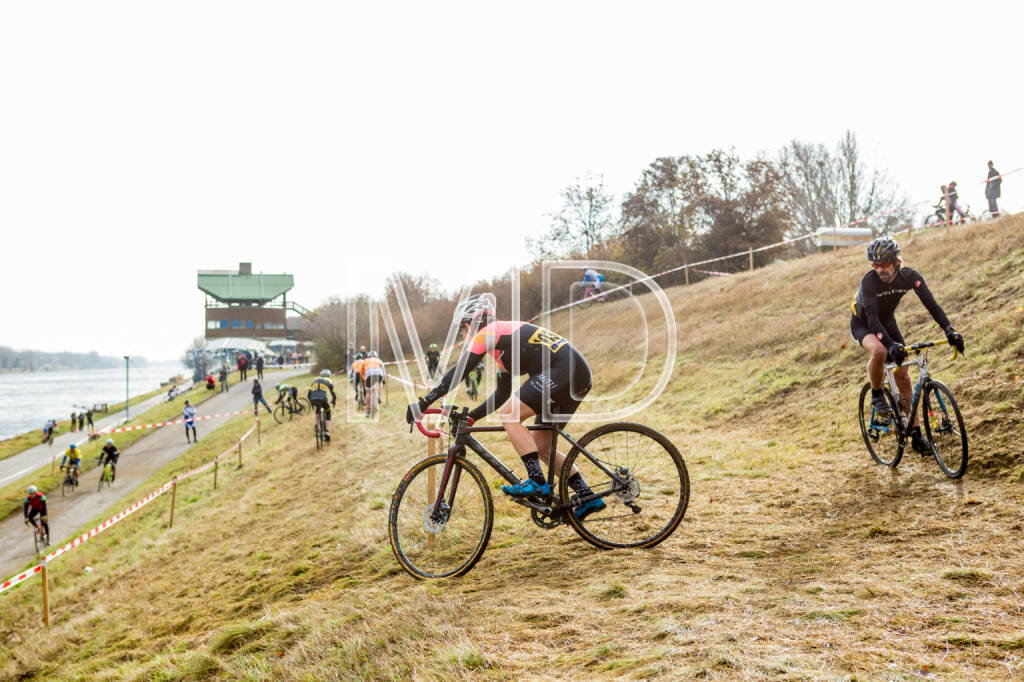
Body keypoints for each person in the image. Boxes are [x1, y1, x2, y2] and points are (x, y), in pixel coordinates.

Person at [405, 294, 604, 521]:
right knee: (541, 445)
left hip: (562, 370)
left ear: (470, 324)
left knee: (510, 415)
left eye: (462, 329)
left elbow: (458, 373)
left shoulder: (488, 334)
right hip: (574, 373)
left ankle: (537, 482)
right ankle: (587, 495)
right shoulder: (501, 346)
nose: (463, 335)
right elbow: (502, 393)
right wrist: (473, 417)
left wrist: (422, 403)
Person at [850, 237, 965, 455]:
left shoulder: (909, 277)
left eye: (883, 263)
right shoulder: (869, 282)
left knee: (903, 375)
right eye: (874, 265)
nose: (879, 269)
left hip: (887, 322)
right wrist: (890, 344)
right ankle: (876, 393)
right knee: (881, 350)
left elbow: (932, 305)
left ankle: (916, 435)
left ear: (895, 261)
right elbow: (873, 321)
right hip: (863, 324)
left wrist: (949, 330)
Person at [308, 369, 337, 440]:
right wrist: (333, 401)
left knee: (317, 409)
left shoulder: (315, 380)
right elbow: (333, 394)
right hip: (322, 398)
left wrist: (311, 402)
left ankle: (316, 426)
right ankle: (326, 431)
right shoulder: (329, 381)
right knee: (328, 411)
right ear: (329, 376)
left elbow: (308, 394)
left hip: (313, 398)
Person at [360, 351, 387, 417]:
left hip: (369, 374)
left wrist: (365, 379)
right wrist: (383, 380)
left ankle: (368, 410)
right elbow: (383, 371)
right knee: (380, 383)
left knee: (368, 392)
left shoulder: (365, 361)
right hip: (378, 372)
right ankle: (379, 395)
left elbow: (361, 373)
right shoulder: (379, 360)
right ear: (376, 356)